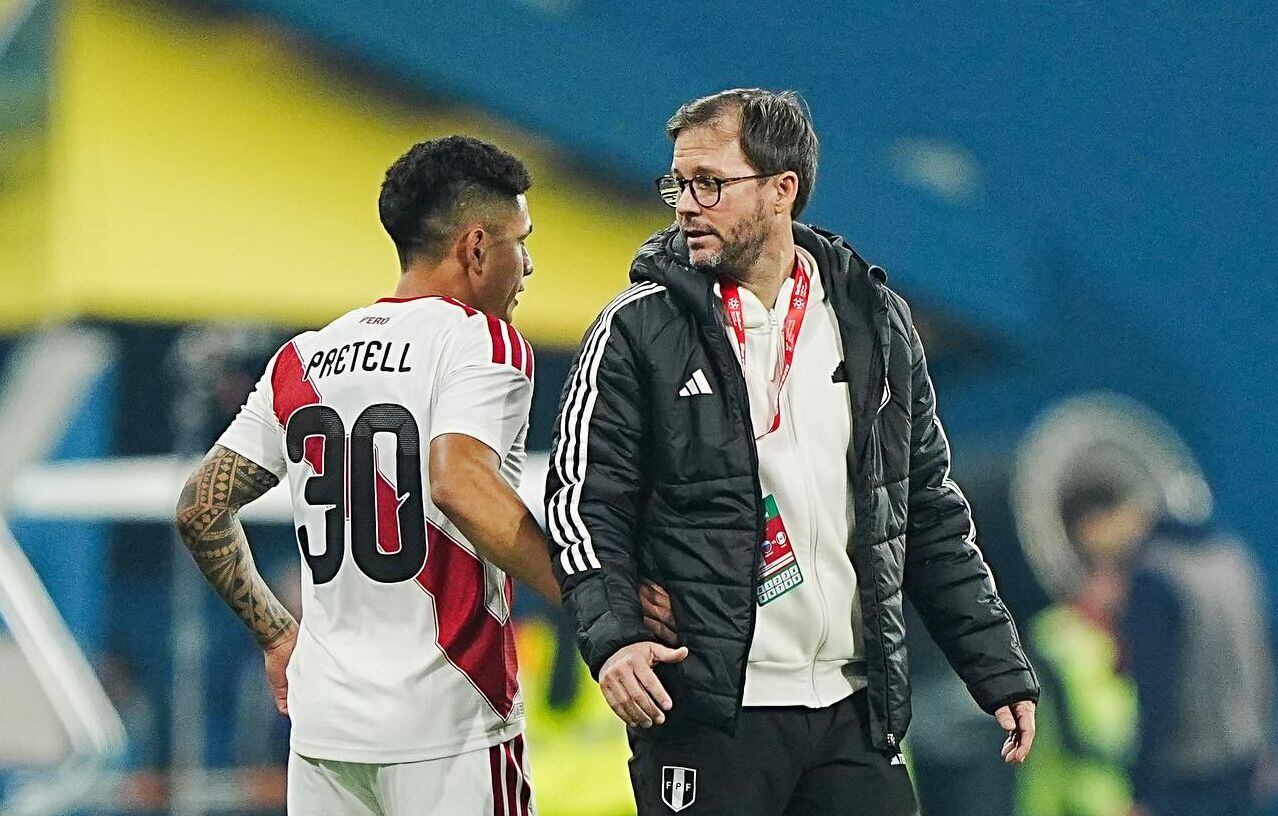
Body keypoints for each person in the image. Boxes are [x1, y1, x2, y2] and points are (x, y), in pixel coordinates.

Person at [545, 88, 1039, 815]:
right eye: (679, 183)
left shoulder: (875, 324)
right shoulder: (636, 330)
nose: (686, 203)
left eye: (710, 183)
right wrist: (615, 638)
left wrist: (995, 665)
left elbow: (928, 509)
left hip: (853, 707)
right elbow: (584, 504)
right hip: (712, 713)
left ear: (783, 190)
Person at [175, 136, 553, 816]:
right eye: (520, 242)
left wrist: (276, 634)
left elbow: (199, 509)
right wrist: (595, 600)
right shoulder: (481, 341)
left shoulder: (303, 360)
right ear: (474, 247)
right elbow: (460, 485)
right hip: (450, 723)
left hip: (325, 733)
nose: (528, 265)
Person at [1121, 508, 1275, 816]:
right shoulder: (1235, 560)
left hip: (1185, 776)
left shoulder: (1156, 573)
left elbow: (1155, 688)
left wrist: (1142, 787)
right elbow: (1262, 658)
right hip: (1245, 759)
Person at [1019, 484, 1140, 816]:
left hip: (1108, 796)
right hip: (1070, 801)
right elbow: (1082, 734)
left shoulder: (1113, 636)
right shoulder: (1056, 633)